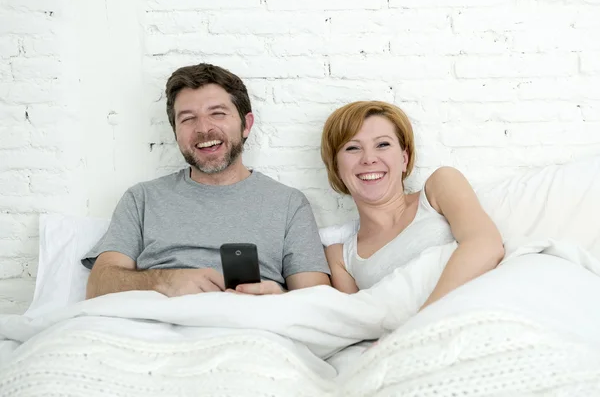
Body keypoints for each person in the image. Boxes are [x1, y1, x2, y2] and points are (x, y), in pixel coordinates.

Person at [83, 63, 330, 299]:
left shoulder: (288, 204)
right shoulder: (142, 199)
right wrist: (163, 281)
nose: (203, 129)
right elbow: (98, 285)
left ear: (246, 125)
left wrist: (280, 297)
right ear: (175, 131)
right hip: (153, 323)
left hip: (250, 326)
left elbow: (317, 301)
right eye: (188, 118)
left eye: (218, 114)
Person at [320, 101, 504, 310]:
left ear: (404, 159)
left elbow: (487, 245)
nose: (369, 159)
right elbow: (357, 326)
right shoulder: (341, 258)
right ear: (336, 167)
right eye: (353, 148)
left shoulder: (439, 187)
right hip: (407, 340)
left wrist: (424, 320)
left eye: (382, 144)